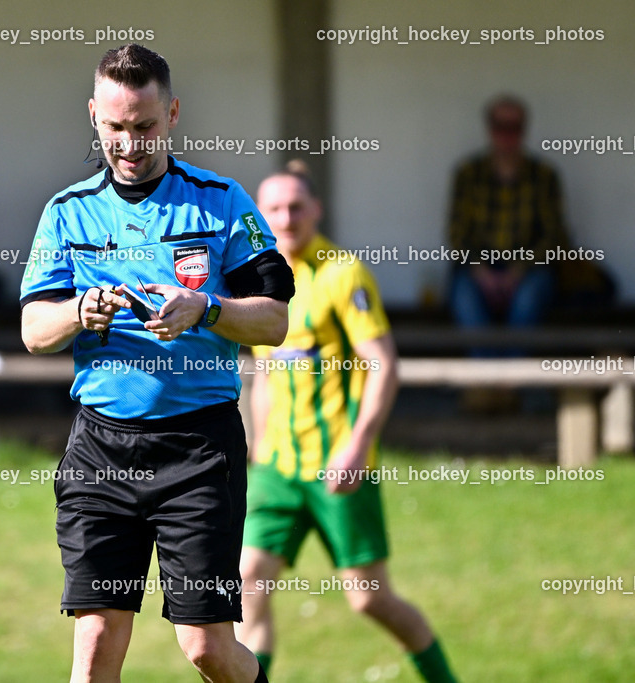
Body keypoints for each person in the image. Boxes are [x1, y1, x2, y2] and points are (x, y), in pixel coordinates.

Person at [20, 44, 294, 683]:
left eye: (144, 127)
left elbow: (275, 321)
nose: (130, 143)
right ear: (94, 116)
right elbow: (35, 332)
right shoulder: (66, 212)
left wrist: (205, 309)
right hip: (101, 451)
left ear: (171, 114)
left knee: (205, 648)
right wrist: (80, 310)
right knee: (94, 647)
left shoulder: (220, 201)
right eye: (115, 127)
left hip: (198, 449)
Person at [235, 163, 457, 682]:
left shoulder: (343, 272)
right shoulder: (256, 278)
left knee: (369, 599)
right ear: (259, 216)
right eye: (273, 208)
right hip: (277, 469)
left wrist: (358, 446)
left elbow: (382, 363)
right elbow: (263, 374)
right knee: (247, 588)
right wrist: (256, 448)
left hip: (339, 466)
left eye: (296, 206)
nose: (285, 217)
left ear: (316, 210)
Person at [447, 94, 567, 351]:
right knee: (464, 296)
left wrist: (518, 270)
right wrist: (481, 271)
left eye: (515, 128)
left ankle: (509, 381)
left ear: (524, 130)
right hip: (477, 267)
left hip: (530, 268)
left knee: (529, 298)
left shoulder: (544, 176)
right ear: (489, 129)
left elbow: (553, 236)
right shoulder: (468, 174)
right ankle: (487, 380)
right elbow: (457, 235)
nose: (507, 135)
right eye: (500, 127)